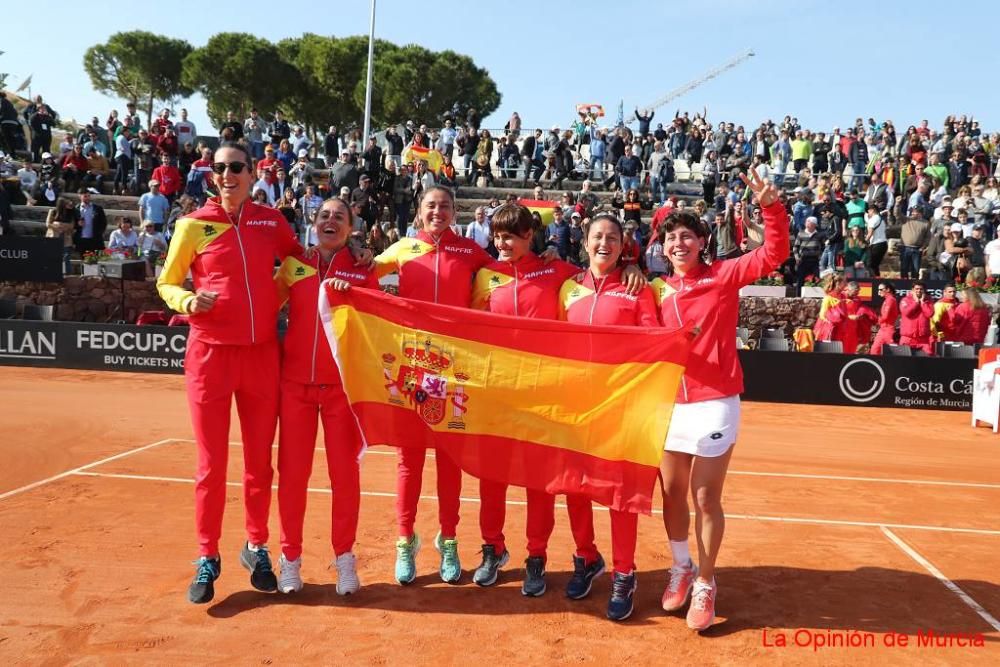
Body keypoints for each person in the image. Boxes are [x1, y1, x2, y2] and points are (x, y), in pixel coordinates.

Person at [157, 142, 302, 604]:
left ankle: (256, 546)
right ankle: (207, 555)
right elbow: (166, 281)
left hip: (261, 356)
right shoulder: (192, 225)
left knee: (260, 463)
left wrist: (272, 294)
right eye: (219, 169)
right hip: (210, 357)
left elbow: (299, 263)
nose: (227, 175)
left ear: (251, 172)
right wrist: (186, 302)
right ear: (210, 176)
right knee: (211, 466)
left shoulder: (270, 221)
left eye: (235, 167)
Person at [652, 170, 788, 631]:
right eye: (671, 238)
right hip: (666, 404)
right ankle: (681, 566)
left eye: (687, 237)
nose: (679, 244)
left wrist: (771, 208)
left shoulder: (724, 276)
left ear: (701, 243)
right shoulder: (652, 289)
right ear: (662, 248)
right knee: (670, 493)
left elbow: (774, 254)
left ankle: (706, 581)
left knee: (705, 496)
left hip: (714, 402)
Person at [369, 186, 494, 585]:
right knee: (409, 461)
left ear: (455, 212)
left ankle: (450, 538)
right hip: (412, 367)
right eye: (430, 206)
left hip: (456, 370)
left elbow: (508, 270)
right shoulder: (402, 249)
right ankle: (405, 541)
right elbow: (364, 273)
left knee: (449, 459)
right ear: (420, 212)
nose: (437, 212)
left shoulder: (470, 252)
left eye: (444, 206)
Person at [469, 204, 584, 595]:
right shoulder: (486, 276)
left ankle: (537, 557)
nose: (502, 243)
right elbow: (471, 330)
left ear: (529, 236)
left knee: (540, 482)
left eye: (510, 236)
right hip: (498, 394)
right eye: (498, 236)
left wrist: (634, 267)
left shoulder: (557, 271)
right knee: (492, 478)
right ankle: (493, 549)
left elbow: (601, 282)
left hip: (543, 395)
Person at [274, 197, 380, 596]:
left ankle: (345, 559)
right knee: (293, 477)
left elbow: (378, 321)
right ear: (312, 223)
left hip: (342, 391)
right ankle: (290, 559)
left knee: (344, 478)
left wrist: (352, 292)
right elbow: (267, 306)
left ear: (351, 229)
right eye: (323, 216)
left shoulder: (363, 270)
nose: (330, 221)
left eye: (339, 217)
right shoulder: (294, 266)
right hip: (295, 386)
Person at [559, 213, 660, 621]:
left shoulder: (638, 290)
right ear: (585, 241)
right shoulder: (566, 287)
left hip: (621, 408)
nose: (605, 243)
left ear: (624, 246)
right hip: (574, 406)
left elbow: (654, 343)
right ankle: (587, 556)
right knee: (574, 487)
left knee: (621, 495)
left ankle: (624, 572)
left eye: (613, 238)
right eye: (597, 236)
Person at [898, 281, 934, 354]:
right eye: (916, 289)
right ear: (912, 290)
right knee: (904, 362)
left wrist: (923, 303)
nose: (919, 291)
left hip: (923, 340)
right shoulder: (905, 300)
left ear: (924, 291)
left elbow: (929, 314)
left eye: (921, 289)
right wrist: (916, 302)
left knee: (927, 361)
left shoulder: (928, 301)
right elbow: (907, 313)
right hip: (907, 338)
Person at [45, 198, 78, 273]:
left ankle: (67, 274)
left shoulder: (70, 213)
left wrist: (62, 227)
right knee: (53, 256)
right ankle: (51, 273)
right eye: (66, 204)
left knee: (66, 257)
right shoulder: (53, 211)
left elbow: (72, 226)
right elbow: (48, 224)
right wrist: (58, 228)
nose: (69, 205)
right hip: (54, 236)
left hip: (66, 238)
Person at [869, 283, 899, 355]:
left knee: (894, 352)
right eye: (878, 289)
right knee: (874, 350)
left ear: (888, 290)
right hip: (883, 330)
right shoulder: (888, 300)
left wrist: (877, 320)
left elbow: (885, 316)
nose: (879, 291)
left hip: (889, 330)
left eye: (881, 289)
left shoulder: (890, 300)